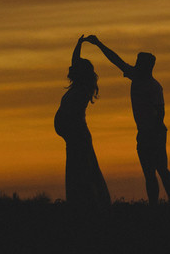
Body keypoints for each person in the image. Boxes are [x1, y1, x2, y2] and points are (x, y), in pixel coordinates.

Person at [85, 35, 170, 208]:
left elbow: (161, 113)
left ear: (147, 66)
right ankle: (154, 207)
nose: (135, 65)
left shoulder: (154, 86)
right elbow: (116, 60)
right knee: (149, 174)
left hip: (155, 134)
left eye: (139, 62)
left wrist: (153, 134)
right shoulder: (135, 76)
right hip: (143, 133)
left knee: (162, 169)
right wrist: (98, 44)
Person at [54, 35, 111, 211]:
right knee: (77, 170)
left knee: (84, 171)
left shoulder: (83, 88)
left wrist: (80, 46)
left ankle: (93, 204)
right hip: (74, 136)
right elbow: (75, 61)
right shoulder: (78, 87)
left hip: (78, 136)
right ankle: (83, 204)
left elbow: (75, 63)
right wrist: (79, 44)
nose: (72, 69)